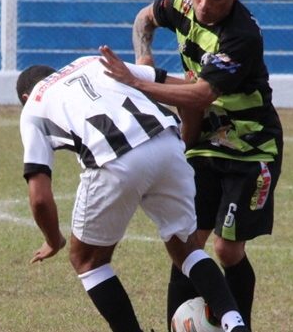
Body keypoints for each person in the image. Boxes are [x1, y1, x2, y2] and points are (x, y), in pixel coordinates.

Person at [103, 0, 283, 330]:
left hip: (250, 148)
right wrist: (144, 57)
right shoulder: (183, 2)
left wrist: (138, 81)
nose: (203, 3)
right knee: (187, 243)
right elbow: (144, 18)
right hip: (203, 142)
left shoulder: (242, 37)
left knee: (227, 250)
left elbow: (201, 94)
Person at [16, 53, 251, 332]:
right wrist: (184, 141)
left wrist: (53, 240)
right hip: (168, 143)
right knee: (187, 249)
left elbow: (40, 198)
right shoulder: (91, 61)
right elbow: (182, 90)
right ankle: (234, 323)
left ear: (25, 96)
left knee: (87, 261)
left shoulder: (34, 105)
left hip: (114, 161)